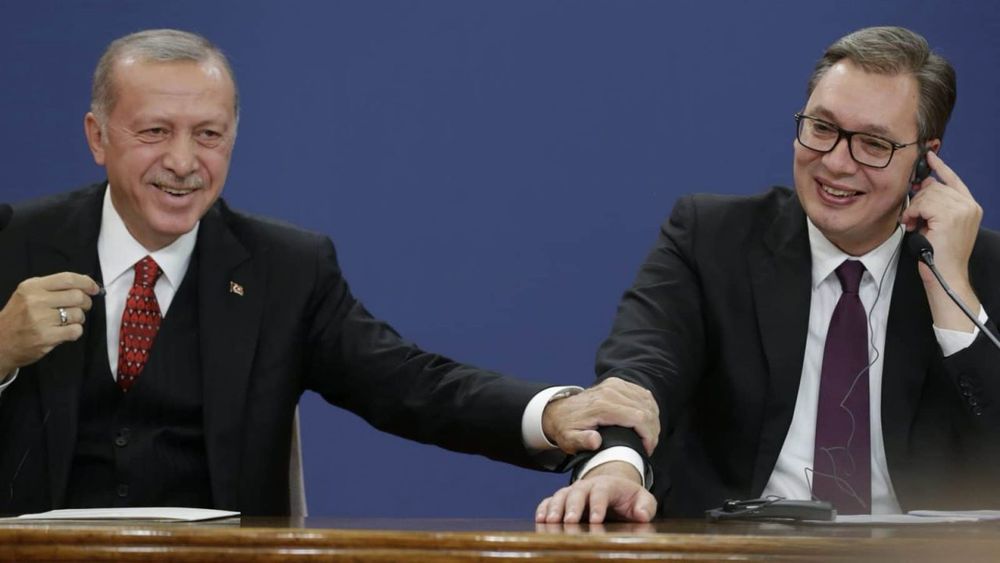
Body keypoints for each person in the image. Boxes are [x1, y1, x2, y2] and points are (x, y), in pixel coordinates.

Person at [0, 29, 660, 516]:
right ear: (97, 136)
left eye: (208, 134)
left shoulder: (285, 269)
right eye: (154, 132)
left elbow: (410, 384)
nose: (183, 161)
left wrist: (553, 413)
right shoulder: (12, 243)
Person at [538, 26, 1000, 523]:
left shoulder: (978, 267)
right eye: (822, 128)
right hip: (737, 547)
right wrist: (616, 467)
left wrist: (952, 291)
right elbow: (640, 371)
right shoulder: (710, 239)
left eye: (873, 144)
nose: (836, 163)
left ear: (924, 161)